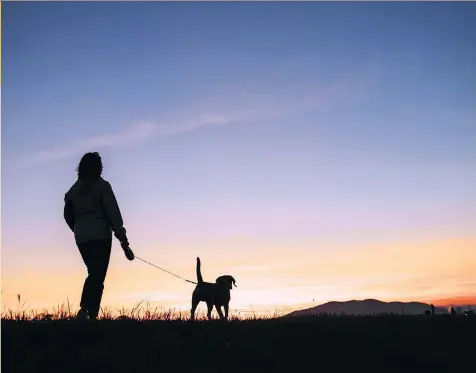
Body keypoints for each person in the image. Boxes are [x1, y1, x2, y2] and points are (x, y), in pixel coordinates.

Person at [64, 152, 135, 320]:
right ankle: (89, 313)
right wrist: (123, 239)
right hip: (101, 236)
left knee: (93, 272)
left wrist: (76, 228)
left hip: (81, 236)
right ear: (98, 168)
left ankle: (86, 310)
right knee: (98, 274)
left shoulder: (73, 191)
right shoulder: (102, 187)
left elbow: (67, 213)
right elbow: (113, 214)